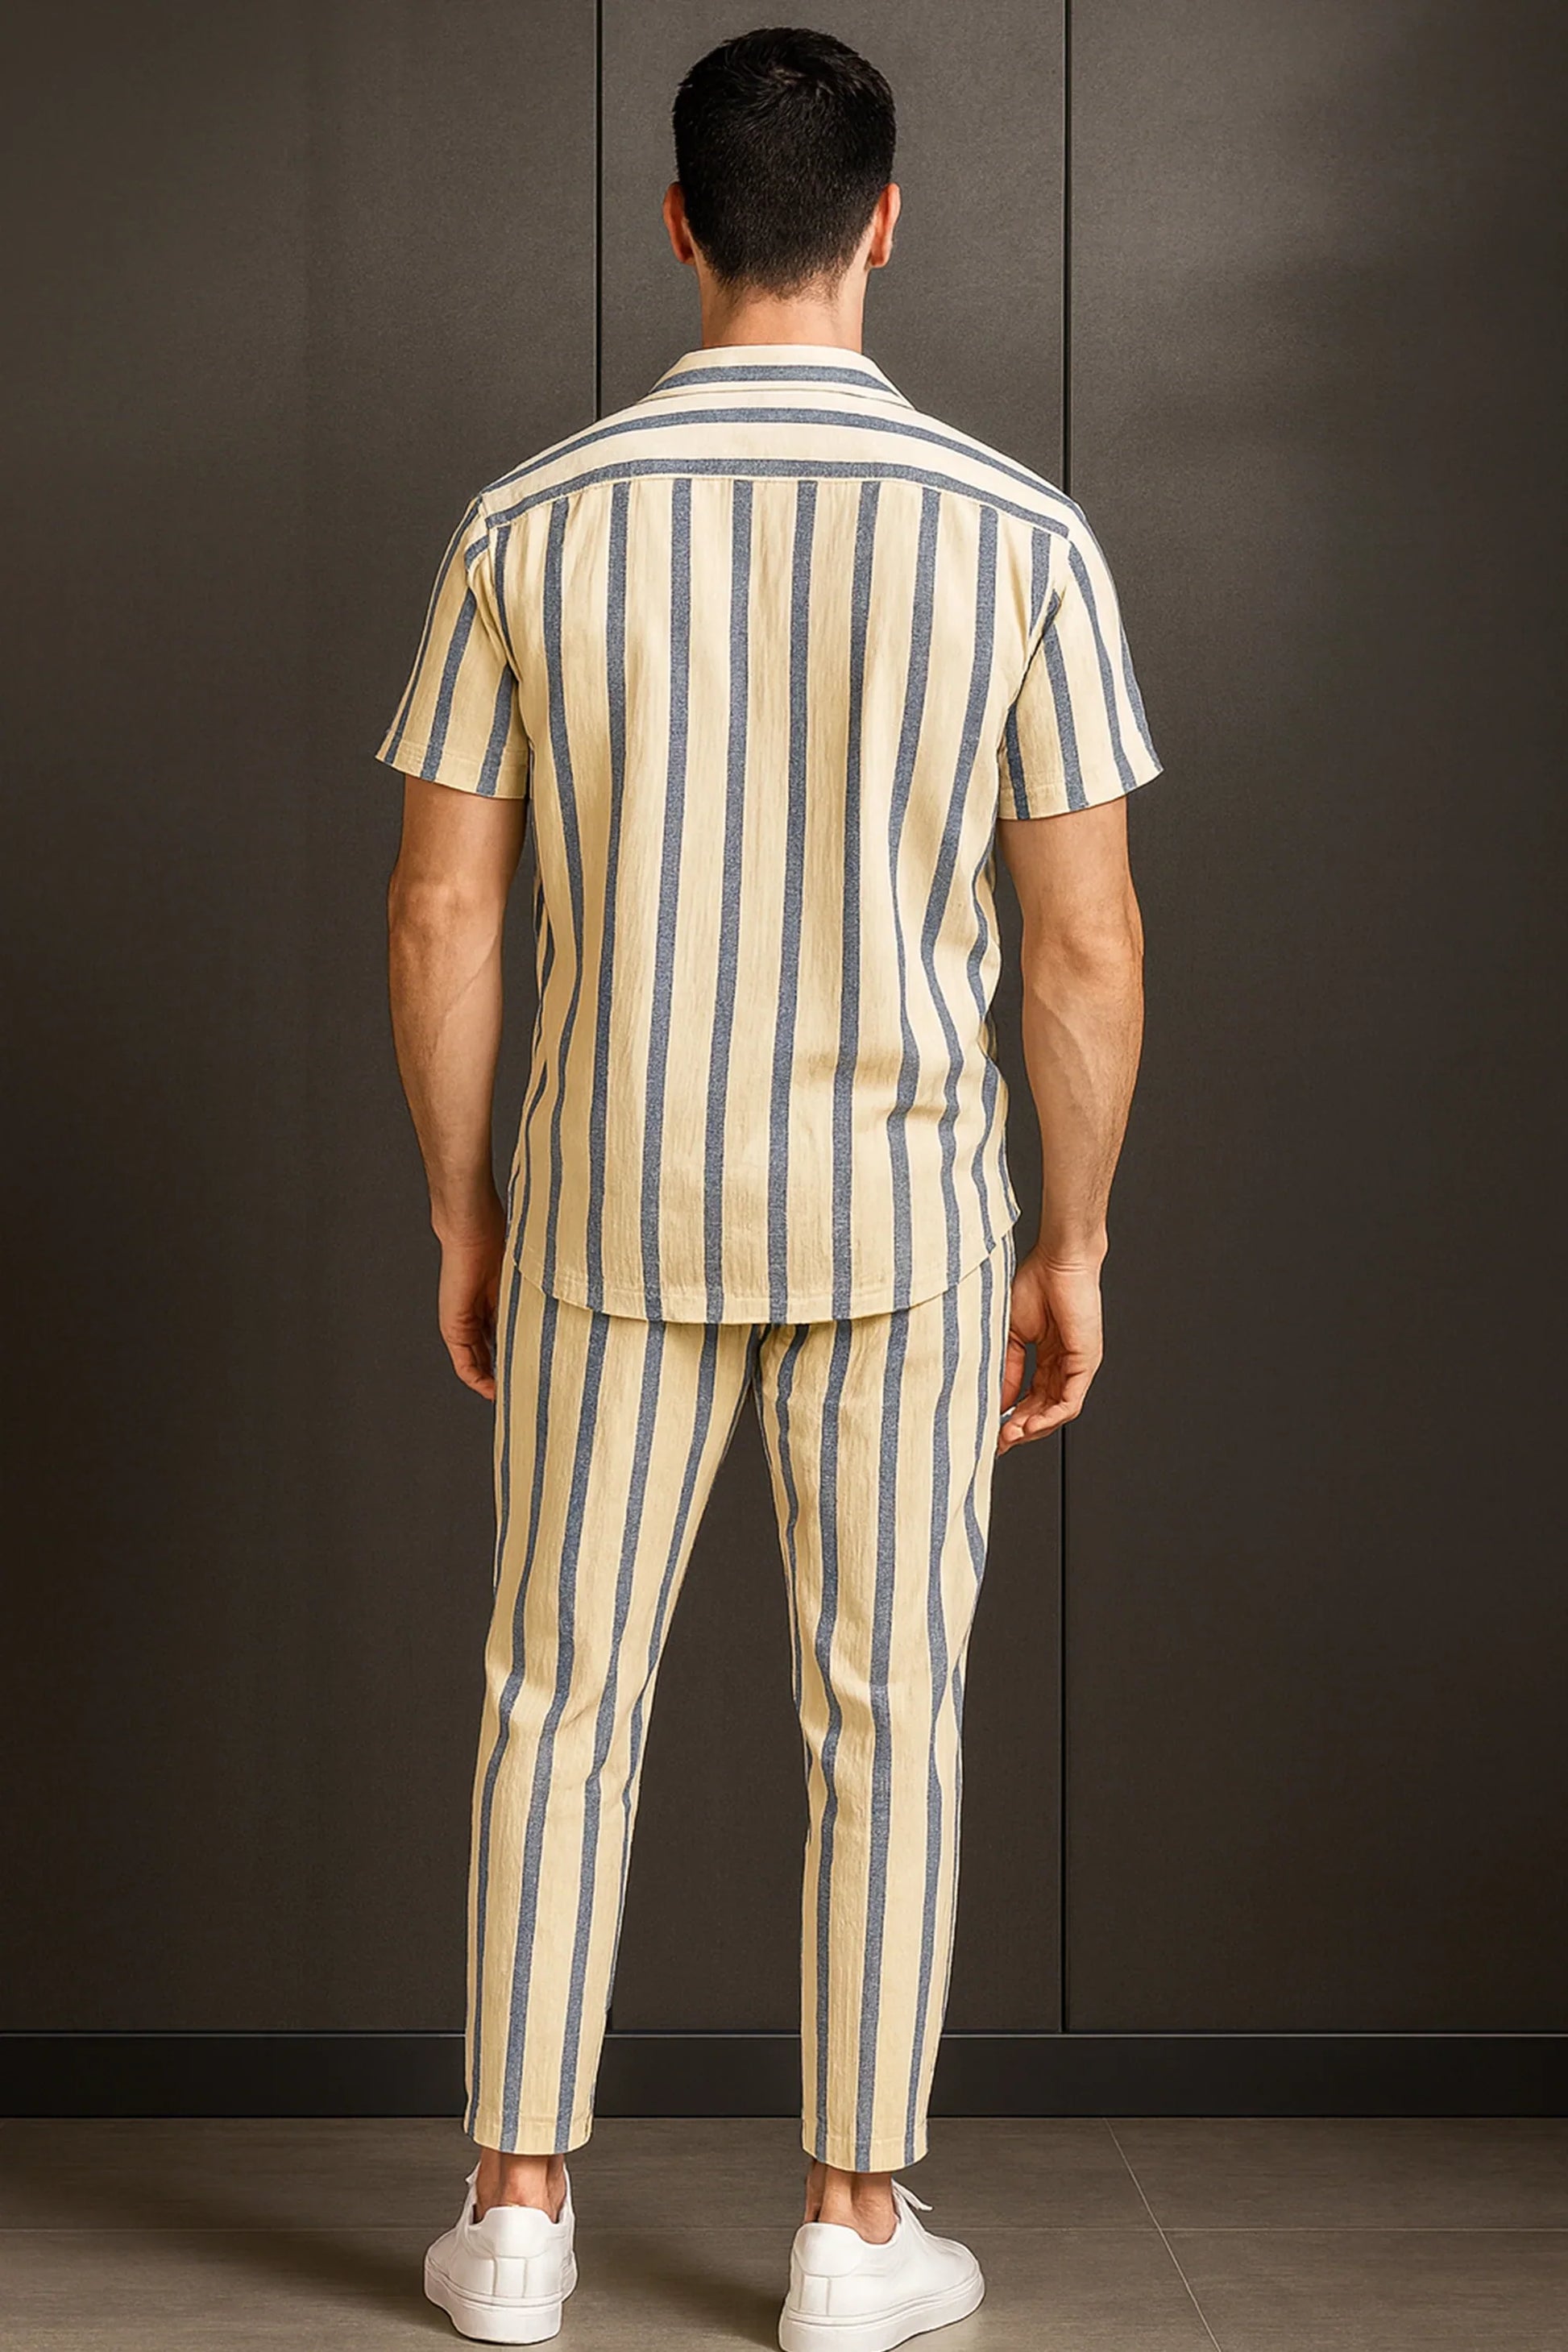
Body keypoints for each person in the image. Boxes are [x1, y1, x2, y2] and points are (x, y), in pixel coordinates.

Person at [380, 25, 1160, 2349]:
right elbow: (1085, 944)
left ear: (680, 224)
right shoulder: (1020, 532)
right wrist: (1071, 1237)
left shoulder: (526, 522)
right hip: (905, 1224)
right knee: (887, 1714)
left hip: (607, 1205)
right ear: (883, 225)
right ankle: (850, 2230)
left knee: (556, 1695)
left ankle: (518, 2218)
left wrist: (465, 1209)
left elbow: (441, 910)